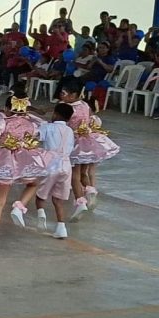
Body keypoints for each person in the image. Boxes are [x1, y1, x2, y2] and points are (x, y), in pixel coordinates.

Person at [0, 92, 58, 253]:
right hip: (25, 159)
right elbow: (39, 134)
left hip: (4, 160)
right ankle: (19, 206)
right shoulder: (31, 123)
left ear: (7, 109)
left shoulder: (3, 121)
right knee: (33, 183)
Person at [10, 103, 75, 239]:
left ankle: (38, 213)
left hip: (51, 163)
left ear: (55, 114)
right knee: (58, 199)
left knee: (39, 193)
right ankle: (61, 228)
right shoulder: (70, 131)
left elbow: (35, 135)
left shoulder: (49, 127)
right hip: (66, 165)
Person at [59, 79, 120, 221]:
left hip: (73, 142)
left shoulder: (66, 108)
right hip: (87, 142)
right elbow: (91, 120)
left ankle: (80, 201)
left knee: (75, 175)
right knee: (84, 172)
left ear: (73, 95)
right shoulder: (85, 105)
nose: (61, 96)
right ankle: (90, 190)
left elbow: (62, 126)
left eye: (64, 93)